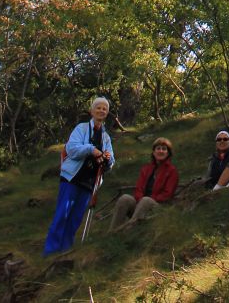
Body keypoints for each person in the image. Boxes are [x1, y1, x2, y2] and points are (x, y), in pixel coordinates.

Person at [43, 96, 115, 255]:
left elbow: (111, 161)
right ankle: (50, 251)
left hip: (89, 183)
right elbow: (72, 149)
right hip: (72, 179)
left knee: (75, 219)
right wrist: (91, 149)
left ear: (107, 113)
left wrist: (108, 159)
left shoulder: (106, 137)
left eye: (104, 109)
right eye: (99, 108)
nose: (101, 110)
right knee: (63, 214)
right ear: (92, 111)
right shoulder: (81, 129)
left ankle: (65, 251)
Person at [110, 137, 178, 230]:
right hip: (140, 205)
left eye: (164, 149)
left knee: (146, 200)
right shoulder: (146, 169)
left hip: (158, 207)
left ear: (168, 153)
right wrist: (139, 200)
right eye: (158, 148)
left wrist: (149, 199)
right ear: (153, 152)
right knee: (125, 198)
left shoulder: (171, 171)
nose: (161, 151)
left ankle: (127, 230)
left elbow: (167, 194)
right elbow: (138, 189)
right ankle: (113, 231)